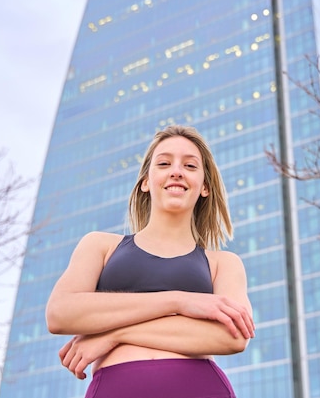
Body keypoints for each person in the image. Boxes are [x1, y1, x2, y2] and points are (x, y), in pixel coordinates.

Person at [45, 125, 255, 398]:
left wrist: (113, 335)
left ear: (204, 187)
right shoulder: (100, 245)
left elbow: (234, 336)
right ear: (146, 181)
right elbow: (60, 313)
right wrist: (178, 302)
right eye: (164, 163)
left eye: (190, 166)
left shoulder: (223, 263)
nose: (176, 171)